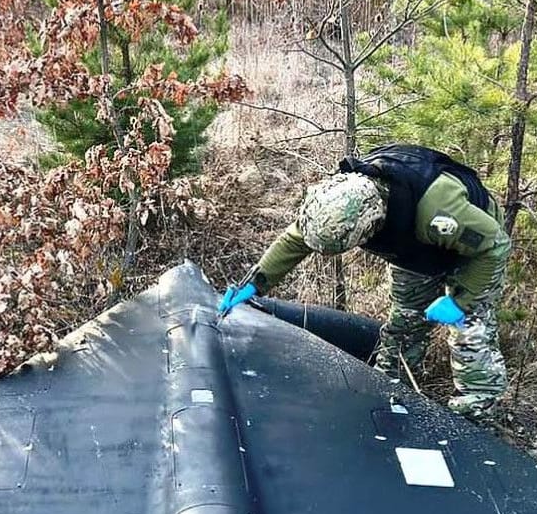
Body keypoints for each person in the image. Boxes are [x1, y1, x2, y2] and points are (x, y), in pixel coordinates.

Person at [219, 144, 511, 421]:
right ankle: (391, 392)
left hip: (476, 254)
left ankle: (477, 412)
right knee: (405, 322)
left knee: (471, 332)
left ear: (370, 225)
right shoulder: (337, 203)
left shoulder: (439, 212)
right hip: (416, 252)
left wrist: (461, 301)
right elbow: (296, 240)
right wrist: (256, 283)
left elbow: (494, 246)